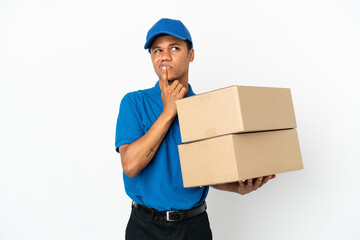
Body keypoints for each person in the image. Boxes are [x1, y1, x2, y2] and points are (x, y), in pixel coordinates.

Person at [115, 18, 276, 240]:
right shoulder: (134, 103)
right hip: (145, 228)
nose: (164, 55)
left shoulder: (206, 108)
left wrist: (237, 188)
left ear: (190, 54)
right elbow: (130, 165)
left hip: (194, 227)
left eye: (174, 48)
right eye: (156, 50)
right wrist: (169, 112)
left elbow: (206, 171)